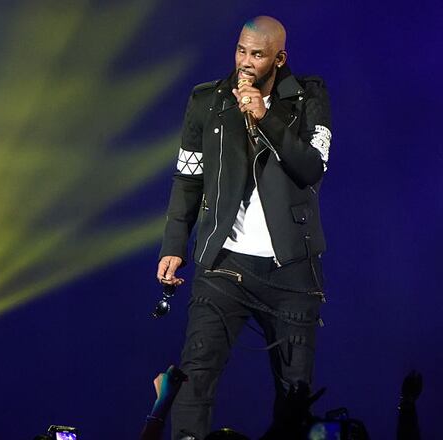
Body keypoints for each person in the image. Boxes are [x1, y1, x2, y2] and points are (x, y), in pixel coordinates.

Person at [156, 15, 332, 439]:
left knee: (295, 392)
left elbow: (312, 168)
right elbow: (187, 178)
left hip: (290, 268)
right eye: (241, 50)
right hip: (224, 264)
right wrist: (174, 244)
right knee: (196, 373)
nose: (245, 62)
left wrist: (266, 118)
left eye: (257, 54)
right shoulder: (207, 102)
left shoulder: (308, 99)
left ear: (279, 58)